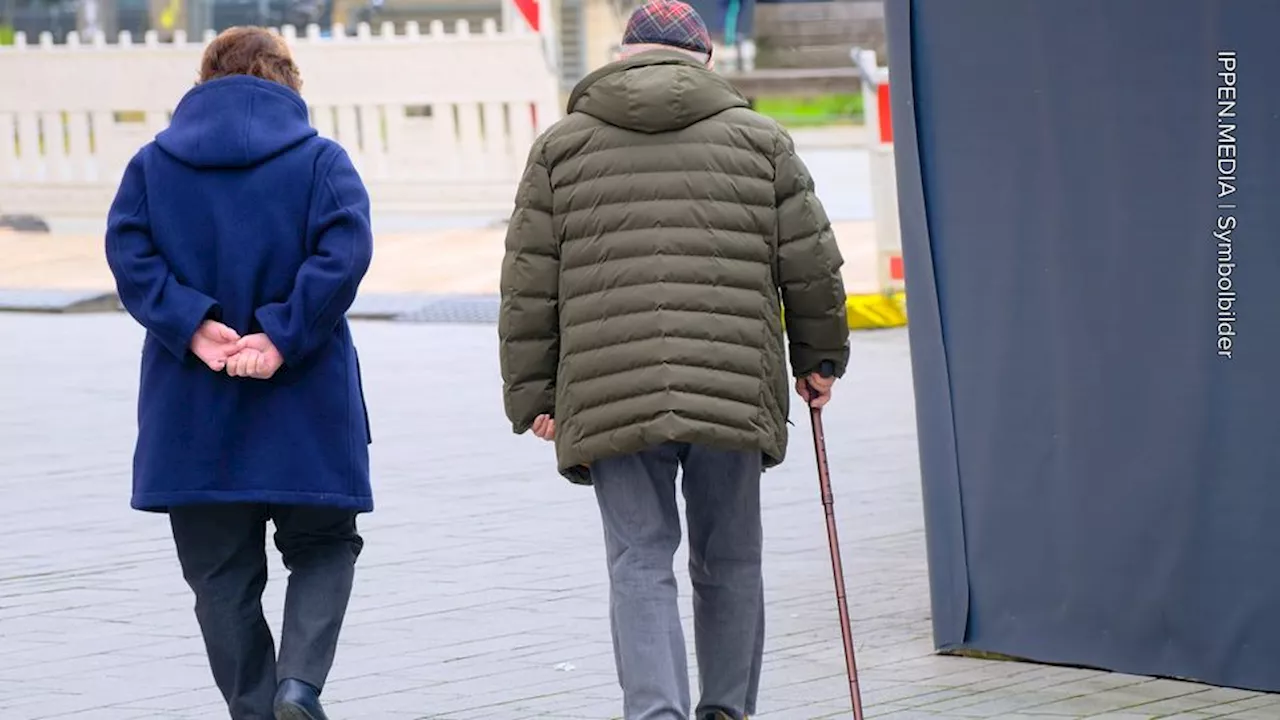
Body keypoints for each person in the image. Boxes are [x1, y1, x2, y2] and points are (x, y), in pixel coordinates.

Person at [497, 2, 850, 718]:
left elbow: (530, 277)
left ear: (622, 56)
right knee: (731, 561)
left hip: (610, 387)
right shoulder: (762, 141)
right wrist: (820, 360)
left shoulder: (561, 148)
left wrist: (534, 393)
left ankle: (655, 712)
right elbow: (810, 264)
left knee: (638, 559)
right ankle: (725, 709)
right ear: (707, 61)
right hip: (730, 384)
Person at [104, 26, 374, 720]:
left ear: (205, 80)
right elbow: (343, 252)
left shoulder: (150, 166)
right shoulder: (322, 162)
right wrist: (283, 334)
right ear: (288, 80)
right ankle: (298, 687)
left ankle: (257, 709)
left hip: (192, 405)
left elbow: (129, 252)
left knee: (220, 577)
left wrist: (189, 322)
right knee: (323, 545)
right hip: (306, 399)